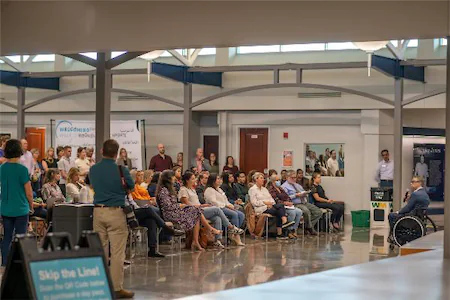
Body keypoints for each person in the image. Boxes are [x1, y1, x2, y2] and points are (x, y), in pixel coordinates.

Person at [90, 139, 134, 298]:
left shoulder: (93, 169)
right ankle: (116, 287)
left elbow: (93, 186)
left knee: (99, 250)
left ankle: (98, 284)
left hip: (98, 212)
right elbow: (131, 186)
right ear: (116, 154)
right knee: (117, 252)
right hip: (116, 212)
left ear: (102, 151)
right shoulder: (121, 170)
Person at [156, 169, 221, 252]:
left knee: (196, 212)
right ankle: (209, 229)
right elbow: (168, 206)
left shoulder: (170, 189)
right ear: (168, 178)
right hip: (170, 214)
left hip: (175, 211)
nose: (174, 179)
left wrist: (179, 206)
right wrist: (180, 205)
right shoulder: (163, 191)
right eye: (173, 177)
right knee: (196, 211)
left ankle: (196, 241)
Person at [179, 171, 244, 248]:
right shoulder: (183, 190)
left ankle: (217, 240)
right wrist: (201, 206)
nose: (195, 180)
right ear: (187, 180)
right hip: (191, 211)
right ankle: (231, 227)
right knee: (217, 209)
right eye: (193, 179)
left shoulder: (192, 189)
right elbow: (187, 204)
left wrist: (202, 205)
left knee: (217, 218)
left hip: (199, 209)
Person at [0, 139, 33, 266]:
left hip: (6, 208)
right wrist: (31, 205)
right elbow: (29, 192)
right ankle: (19, 263)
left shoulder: (1, 168)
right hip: (21, 208)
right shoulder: (22, 169)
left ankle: (4, 263)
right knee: (21, 237)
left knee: (7, 237)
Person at [249, 172, 294, 240]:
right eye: (261, 178)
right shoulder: (252, 190)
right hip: (260, 208)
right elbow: (254, 203)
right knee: (279, 210)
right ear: (256, 179)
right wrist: (265, 203)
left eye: (263, 178)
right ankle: (282, 227)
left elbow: (272, 199)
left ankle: (283, 224)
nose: (263, 180)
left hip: (270, 206)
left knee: (280, 207)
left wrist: (270, 203)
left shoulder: (264, 189)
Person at [204, 173, 245, 246]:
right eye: (218, 179)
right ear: (213, 181)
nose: (220, 180)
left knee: (241, 214)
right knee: (234, 214)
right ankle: (235, 234)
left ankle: (232, 234)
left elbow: (225, 200)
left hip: (224, 207)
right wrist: (225, 206)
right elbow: (213, 202)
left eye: (220, 178)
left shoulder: (219, 189)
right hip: (218, 208)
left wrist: (230, 205)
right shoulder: (209, 190)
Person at [388, 176, 430, 241]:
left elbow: (408, 208)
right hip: (419, 215)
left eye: (413, 182)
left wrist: (398, 212)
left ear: (419, 183)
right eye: (411, 182)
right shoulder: (424, 193)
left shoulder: (415, 194)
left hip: (412, 216)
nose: (411, 183)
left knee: (391, 215)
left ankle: (394, 235)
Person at [282, 170, 321, 235]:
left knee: (318, 212)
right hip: (294, 203)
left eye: (295, 177)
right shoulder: (284, 187)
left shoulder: (297, 185)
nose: (294, 179)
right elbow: (285, 198)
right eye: (292, 178)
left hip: (303, 201)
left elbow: (303, 191)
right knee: (306, 211)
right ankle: (309, 227)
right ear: (287, 177)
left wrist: (305, 193)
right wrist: (295, 195)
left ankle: (306, 226)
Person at [267, 171, 303, 239]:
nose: (278, 181)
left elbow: (287, 197)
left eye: (279, 180)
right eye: (277, 180)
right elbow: (275, 200)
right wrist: (285, 203)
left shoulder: (280, 188)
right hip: (280, 206)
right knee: (292, 213)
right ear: (273, 181)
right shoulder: (271, 189)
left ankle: (293, 229)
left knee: (299, 212)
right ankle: (287, 230)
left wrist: (289, 201)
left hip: (287, 205)